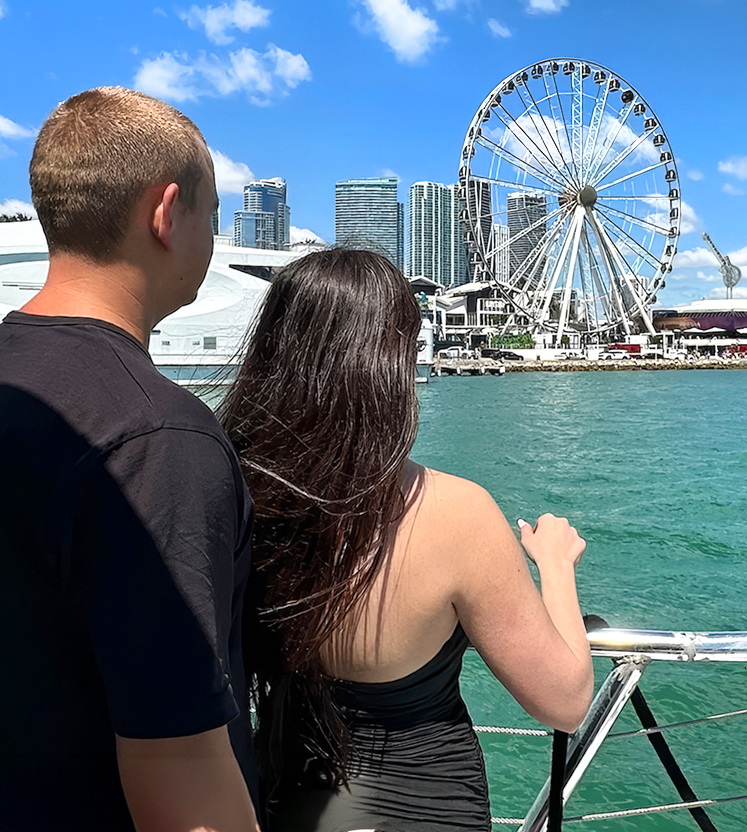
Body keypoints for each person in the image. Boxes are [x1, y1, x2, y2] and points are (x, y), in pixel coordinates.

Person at [0, 87, 258, 831]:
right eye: (214, 212)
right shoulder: (158, 435)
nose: (213, 236)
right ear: (167, 215)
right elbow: (185, 793)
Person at [217, 247, 593, 832]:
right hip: (427, 807)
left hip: (282, 803)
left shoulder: (230, 491)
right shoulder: (455, 512)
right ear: (389, 363)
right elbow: (565, 702)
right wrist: (556, 566)